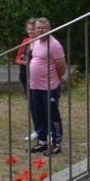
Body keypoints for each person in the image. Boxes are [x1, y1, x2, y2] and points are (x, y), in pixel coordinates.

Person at [28, 18, 66, 155]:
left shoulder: (55, 45)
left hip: (49, 87)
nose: (39, 30)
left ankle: (56, 143)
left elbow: (62, 67)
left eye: (43, 28)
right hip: (35, 87)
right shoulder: (36, 42)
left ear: (49, 28)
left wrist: (55, 79)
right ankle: (42, 142)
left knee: (52, 115)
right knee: (38, 114)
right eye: (38, 28)